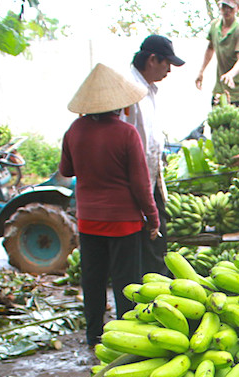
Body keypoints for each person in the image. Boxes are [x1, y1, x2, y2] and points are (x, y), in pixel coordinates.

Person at [59, 64, 161, 347]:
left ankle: (94, 335)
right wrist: (153, 218)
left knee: (92, 279)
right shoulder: (127, 134)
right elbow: (141, 186)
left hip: (89, 220)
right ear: (120, 105)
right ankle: (125, 337)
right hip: (124, 223)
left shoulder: (74, 130)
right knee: (126, 282)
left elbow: (66, 170)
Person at [122, 34, 185, 277]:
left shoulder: (148, 90)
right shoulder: (129, 90)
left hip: (150, 181)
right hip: (134, 185)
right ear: (151, 60)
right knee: (147, 249)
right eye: (166, 63)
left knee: (157, 244)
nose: (169, 69)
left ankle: (159, 299)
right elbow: (127, 143)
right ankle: (149, 303)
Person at [195, 0, 239, 112]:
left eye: (231, 7)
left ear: (237, 8)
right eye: (224, 6)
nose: (227, 10)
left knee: (237, 126)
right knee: (218, 125)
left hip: (238, 89)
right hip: (220, 87)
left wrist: (231, 74)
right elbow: (210, 48)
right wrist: (201, 71)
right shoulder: (215, 26)